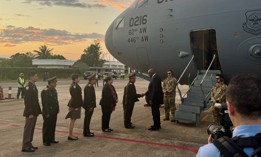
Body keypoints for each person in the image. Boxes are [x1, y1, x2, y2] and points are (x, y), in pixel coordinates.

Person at [196, 74, 261, 157]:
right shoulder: (215, 86)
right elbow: (212, 93)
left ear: (229, 107)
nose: (217, 80)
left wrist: (214, 149)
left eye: (218, 78)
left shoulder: (207, 152)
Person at [21, 72, 41, 152]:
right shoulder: (28, 87)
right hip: (30, 112)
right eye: (36, 76)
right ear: (31, 77)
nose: (37, 77)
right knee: (28, 129)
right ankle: (25, 146)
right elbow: (27, 101)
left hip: (34, 111)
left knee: (31, 128)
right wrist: (30, 113)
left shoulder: (33, 86)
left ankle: (29, 143)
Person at [41, 76, 59, 146]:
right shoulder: (45, 91)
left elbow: (55, 101)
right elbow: (44, 103)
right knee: (47, 126)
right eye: (55, 83)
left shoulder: (54, 90)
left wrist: (57, 109)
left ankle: (51, 138)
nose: (56, 84)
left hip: (54, 111)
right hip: (48, 112)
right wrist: (46, 112)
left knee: (52, 125)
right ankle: (46, 140)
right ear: (51, 83)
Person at [65, 73, 83, 140]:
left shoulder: (75, 85)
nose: (79, 79)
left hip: (75, 104)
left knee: (73, 119)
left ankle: (71, 134)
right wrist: (76, 106)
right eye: (79, 77)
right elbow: (75, 97)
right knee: (72, 119)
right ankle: (70, 135)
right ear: (76, 78)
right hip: (74, 105)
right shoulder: (74, 86)